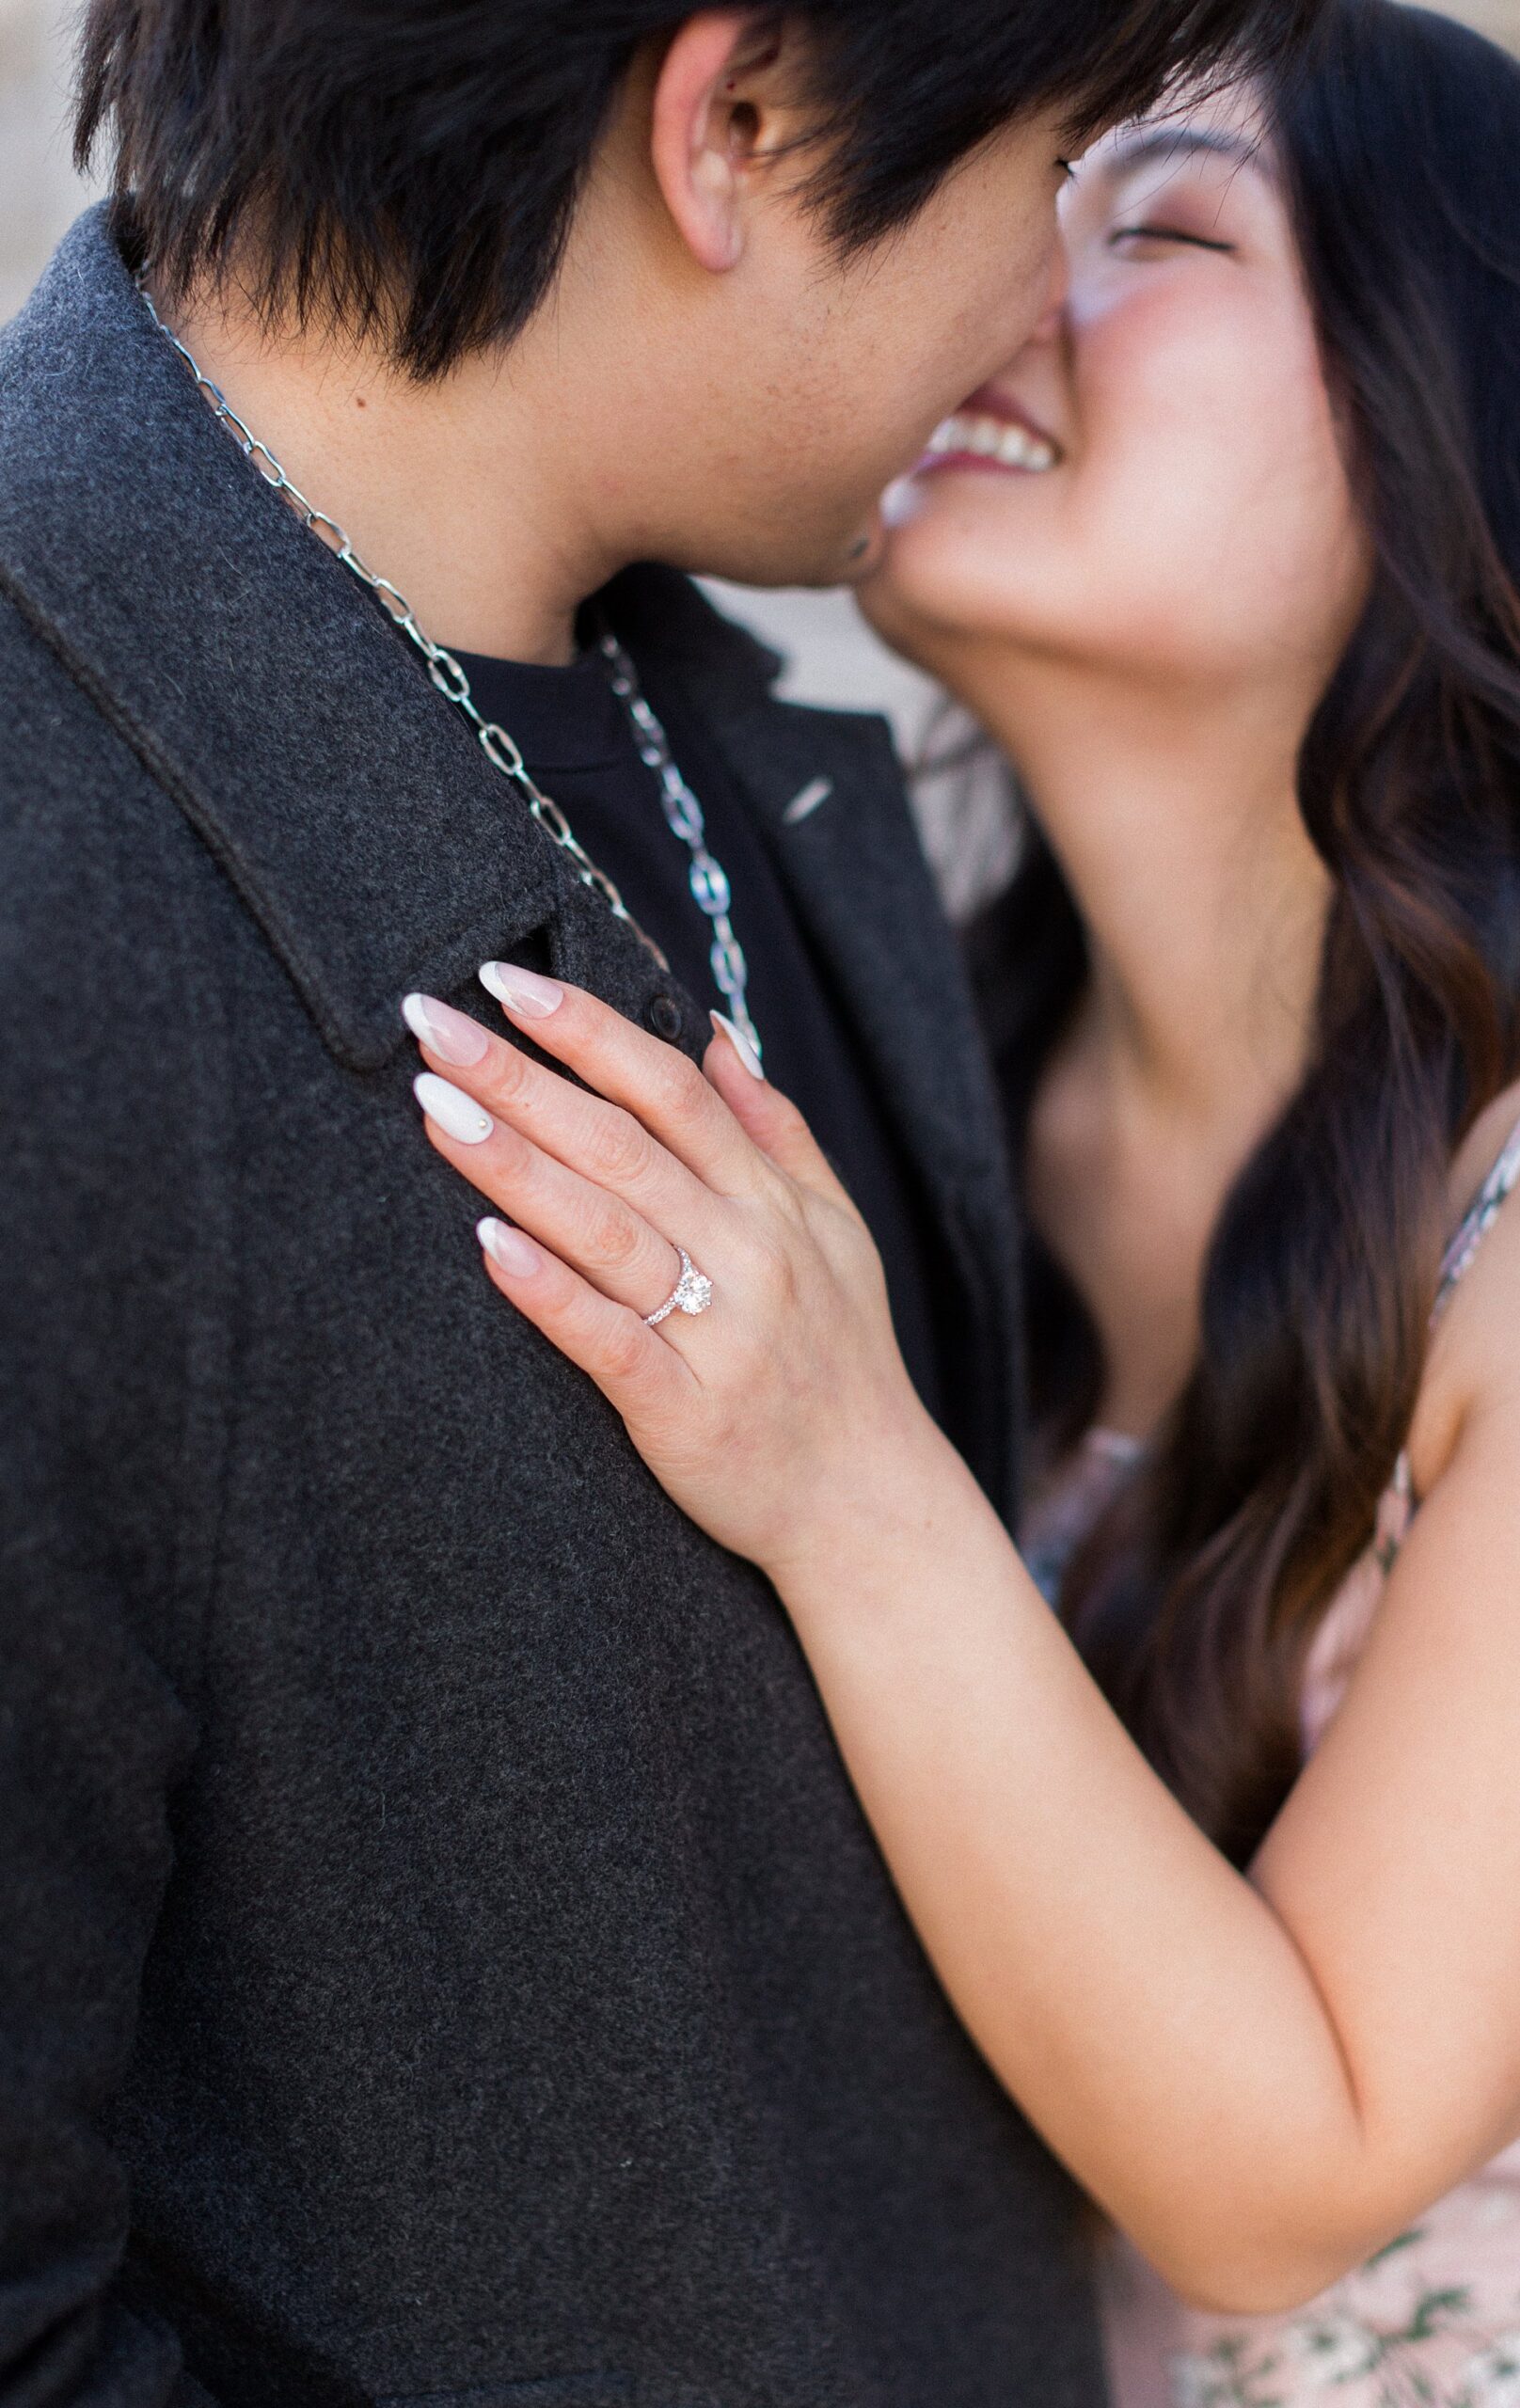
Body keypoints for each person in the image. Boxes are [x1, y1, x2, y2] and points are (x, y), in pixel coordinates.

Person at [0, 0, 1321, 2399]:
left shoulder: (734, 727)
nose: (1052, 292)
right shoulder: (47, 870)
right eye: (1050, 167)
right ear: (737, 123)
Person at [403, 6, 1520, 2403]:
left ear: (1454, 423)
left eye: (1146, 222)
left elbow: (1291, 2155)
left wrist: (844, 1469)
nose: (1003, 276)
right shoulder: (923, 1037)